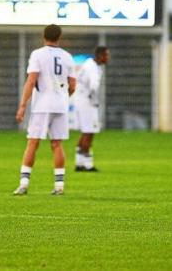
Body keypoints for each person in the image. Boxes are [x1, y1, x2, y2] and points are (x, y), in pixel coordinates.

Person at [14, 24, 76, 196]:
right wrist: (63, 97)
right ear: (59, 37)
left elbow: (31, 80)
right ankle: (59, 186)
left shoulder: (37, 54)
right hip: (60, 106)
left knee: (33, 142)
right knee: (57, 144)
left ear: (44, 36)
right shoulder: (67, 56)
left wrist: (22, 105)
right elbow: (72, 85)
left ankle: (24, 183)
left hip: (42, 106)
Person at [74, 46, 110, 172]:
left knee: (85, 131)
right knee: (90, 132)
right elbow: (94, 86)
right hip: (87, 102)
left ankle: (79, 162)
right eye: (106, 55)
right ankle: (88, 164)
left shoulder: (89, 63)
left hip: (80, 99)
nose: (108, 58)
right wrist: (94, 100)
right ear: (100, 56)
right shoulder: (93, 68)